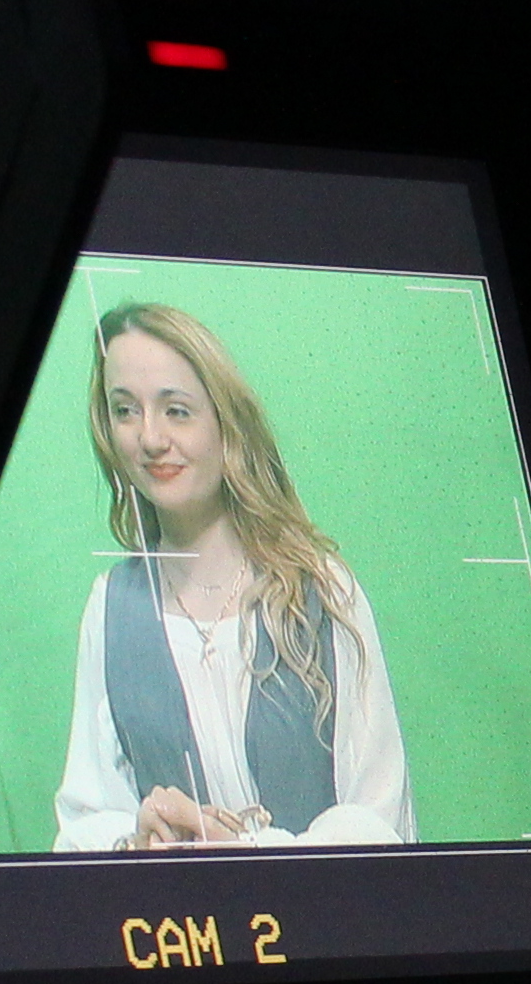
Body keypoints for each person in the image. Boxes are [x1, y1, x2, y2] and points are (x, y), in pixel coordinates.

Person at [51, 299, 417, 852]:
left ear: (226, 424)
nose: (150, 439)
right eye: (125, 410)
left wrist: (244, 851)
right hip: (191, 930)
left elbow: (381, 818)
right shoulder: (110, 609)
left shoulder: (322, 589)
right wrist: (136, 840)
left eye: (176, 410)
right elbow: (84, 822)